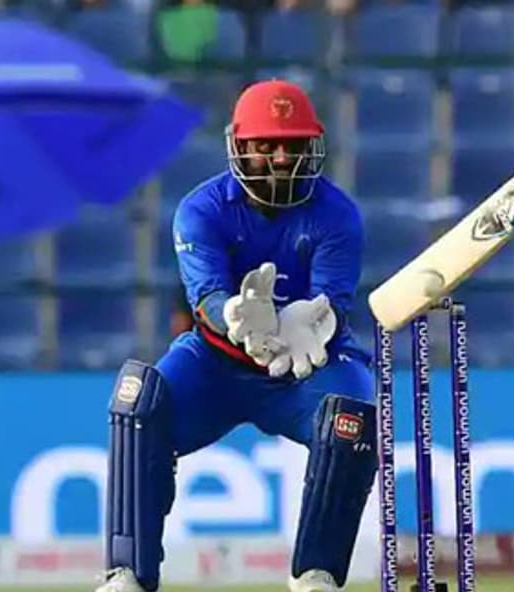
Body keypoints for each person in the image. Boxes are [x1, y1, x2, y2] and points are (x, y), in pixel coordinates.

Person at [95, 80, 374, 592]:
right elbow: (206, 296)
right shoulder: (201, 209)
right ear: (239, 147)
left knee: (351, 414)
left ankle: (317, 574)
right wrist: (237, 317)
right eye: (267, 145)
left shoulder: (337, 214)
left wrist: (305, 324)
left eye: (292, 146)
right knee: (138, 402)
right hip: (215, 364)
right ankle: (128, 573)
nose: (281, 159)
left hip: (304, 369)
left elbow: (331, 301)